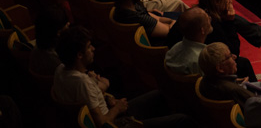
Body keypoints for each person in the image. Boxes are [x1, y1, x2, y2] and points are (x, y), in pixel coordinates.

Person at [53, 26, 194, 128]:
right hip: (115, 122)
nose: (93, 49)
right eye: (89, 47)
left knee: (160, 95)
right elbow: (101, 123)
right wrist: (117, 109)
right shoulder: (82, 82)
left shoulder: (60, 70)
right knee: (183, 119)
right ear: (79, 55)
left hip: (109, 110)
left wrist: (107, 98)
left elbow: (85, 100)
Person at [112, 0, 176, 44]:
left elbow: (158, 18)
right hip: (163, 43)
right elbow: (170, 31)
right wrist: (174, 22)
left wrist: (170, 21)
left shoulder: (124, 7)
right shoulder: (139, 18)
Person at [197, 42, 254, 108]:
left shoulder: (204, 82)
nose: (235, 57)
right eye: (230, 56)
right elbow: (260, 106)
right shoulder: (234, 91)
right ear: (220, 68)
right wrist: (243, 88)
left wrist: (236, 83)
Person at [165, 7, 212, 75]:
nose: (210, 19)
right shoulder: (202, 60)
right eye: (207, 19)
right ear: (203, 30)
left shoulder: (173, 49)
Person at [29, 4, 69, 76]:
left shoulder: (37, 47)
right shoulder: (58, 61)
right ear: (58, 32)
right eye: (66, 24)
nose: (69, 24)